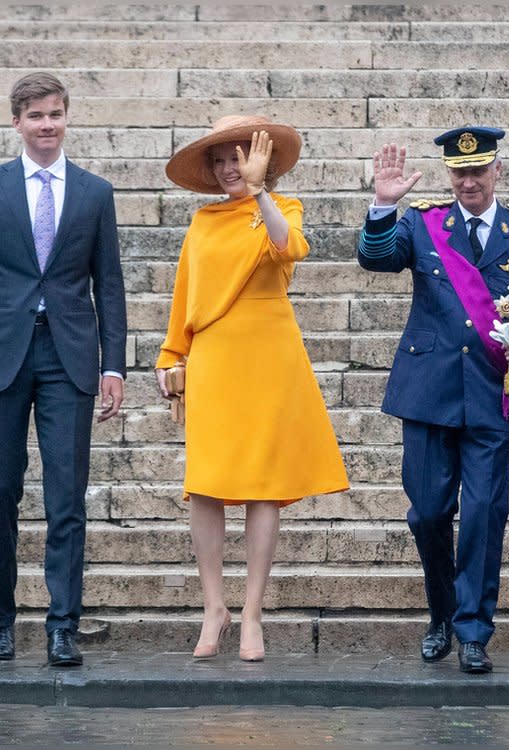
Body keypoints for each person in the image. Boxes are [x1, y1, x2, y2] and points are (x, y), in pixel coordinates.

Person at [357, 128, 509, 673]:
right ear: (449, 175)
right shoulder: (423, 224)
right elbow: (375, 259)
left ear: (497, 171)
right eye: (459, 173)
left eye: (478, 170)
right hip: (428, 390)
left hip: (492, 393)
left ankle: (472, 628)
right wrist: (382, 204)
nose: (468, 181)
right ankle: (442, 613)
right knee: (428, 513)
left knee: (483, 513)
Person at [0, 72, 127, 667]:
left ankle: (62, 626)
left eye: (55, 114)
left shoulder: (95, 192)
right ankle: (0, 620)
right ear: (17, 122)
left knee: (66, 496)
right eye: (35, 116)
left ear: (66, 117)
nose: (47, 124)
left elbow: (111, 286)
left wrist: (115, 365)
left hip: (69, 357)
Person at [155, 115, 348, 662]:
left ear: (262, 162)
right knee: (207, 482)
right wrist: (172, 354)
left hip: (269, 355)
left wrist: (261, 192)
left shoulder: (281, 209)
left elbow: (289, 249)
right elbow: (183, 294)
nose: (226, 169)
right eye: (218, 161)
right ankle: (214, 606)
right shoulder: (202, 222)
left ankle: (253, 612)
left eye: (236, 157)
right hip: (215, 356)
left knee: (264, 484)